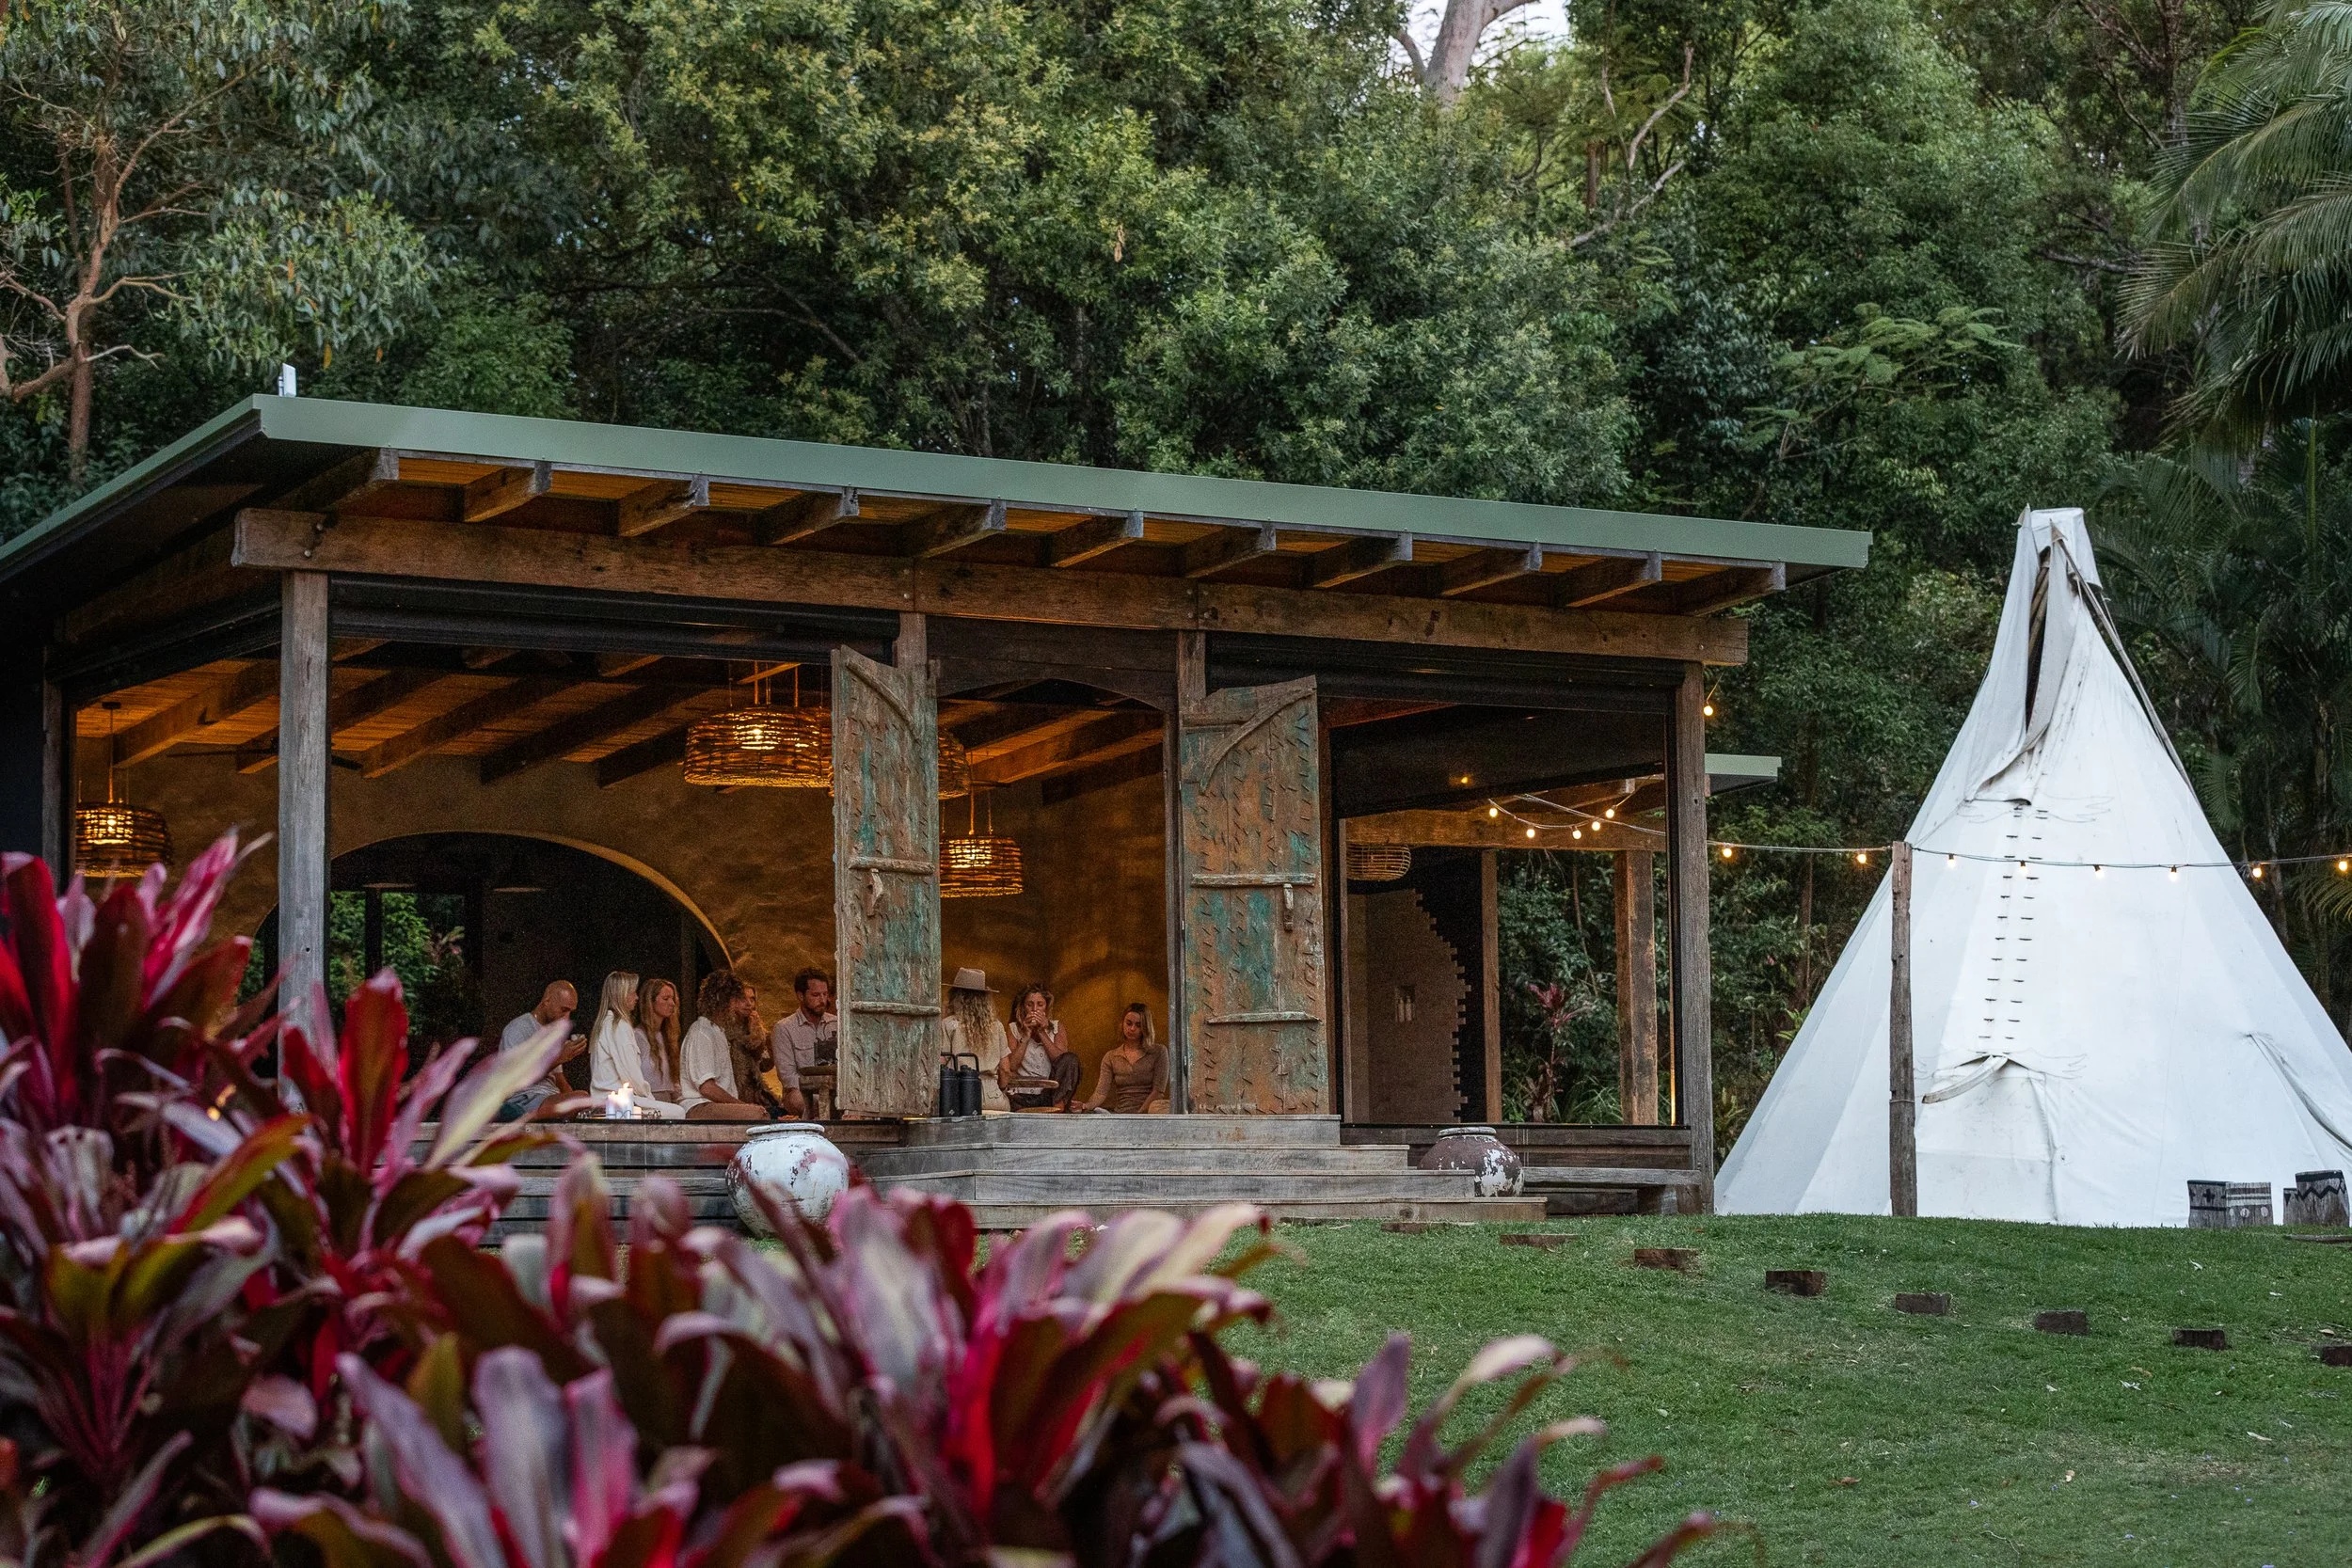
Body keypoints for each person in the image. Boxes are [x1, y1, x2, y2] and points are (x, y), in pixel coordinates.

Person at [677, 970, 776, 1121]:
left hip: (714, 1104)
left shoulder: (717, 1031)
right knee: (757, 1115)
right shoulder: (701, 1033)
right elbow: (706, 1088)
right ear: (721, 1000)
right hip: (699, 1105)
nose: (738, 1004)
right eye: (735, 999)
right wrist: (741, 1106)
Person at [495, 980, 588, 1120]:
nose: (567, 1017)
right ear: (547, 1001)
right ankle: (524, 1116)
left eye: (570, 1012)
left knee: (585, 1099)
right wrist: (559, 1057)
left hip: (550, 1096)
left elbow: (559, 1080)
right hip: (526, 1098)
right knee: (581, 1097)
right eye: (564, 1010)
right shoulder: (518, 1029)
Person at [1077, 1003, 1170, 1115]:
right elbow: (1101, 1092)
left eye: (1138, 1025)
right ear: (1122, 1024)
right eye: (1129, 1023)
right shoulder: (1111, 1056)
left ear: (1145, 1027)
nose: (1132, 1029)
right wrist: (1085, 1106)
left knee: (1161, 1107)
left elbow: (1158, 1092)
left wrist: (1138, 1115)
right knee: (1094, 1113)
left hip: (1149, 1114)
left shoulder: (1159, 1052)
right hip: (1121, 1114)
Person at [999, 982, 1080, 1111]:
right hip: (1021, 1095)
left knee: (1071, 1058)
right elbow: (1011, 1066)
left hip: (1049, 1095)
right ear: (1023, 1007)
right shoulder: (1013, 1028)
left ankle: (1058, 1107)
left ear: (1046, 1008)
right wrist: (1026, 1036)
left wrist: (1042, 1032)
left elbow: (1063, 1063)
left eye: (1040, 1004)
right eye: (1029, 1005)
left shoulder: (1057, 1027)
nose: (1034, 1009)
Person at [943, 968, 1009, 1113]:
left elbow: (941, 1063)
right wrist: (1001, 1090)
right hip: (994, 1097)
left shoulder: (949, 1024)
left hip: (961, 1095)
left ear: (957, 996)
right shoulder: (997, 1026)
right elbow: (1005, 1068)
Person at [771, 967, 837, 1077]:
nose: (822, 1001)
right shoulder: (784, 1029)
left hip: (835, 1092)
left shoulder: (836, 1024)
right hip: (802, 1092)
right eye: (815, 995)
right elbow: (788, 1076)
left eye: (825, 994)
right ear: (800, 996)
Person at [635, 977, 684, 1102]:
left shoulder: (667, 1036)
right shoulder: (638, 1036)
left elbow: (673, 1079)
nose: (672, 1003)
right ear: (650, 1002)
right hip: (648, 1099)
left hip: (669, 1098)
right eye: (666, 999)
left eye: (672, 999)